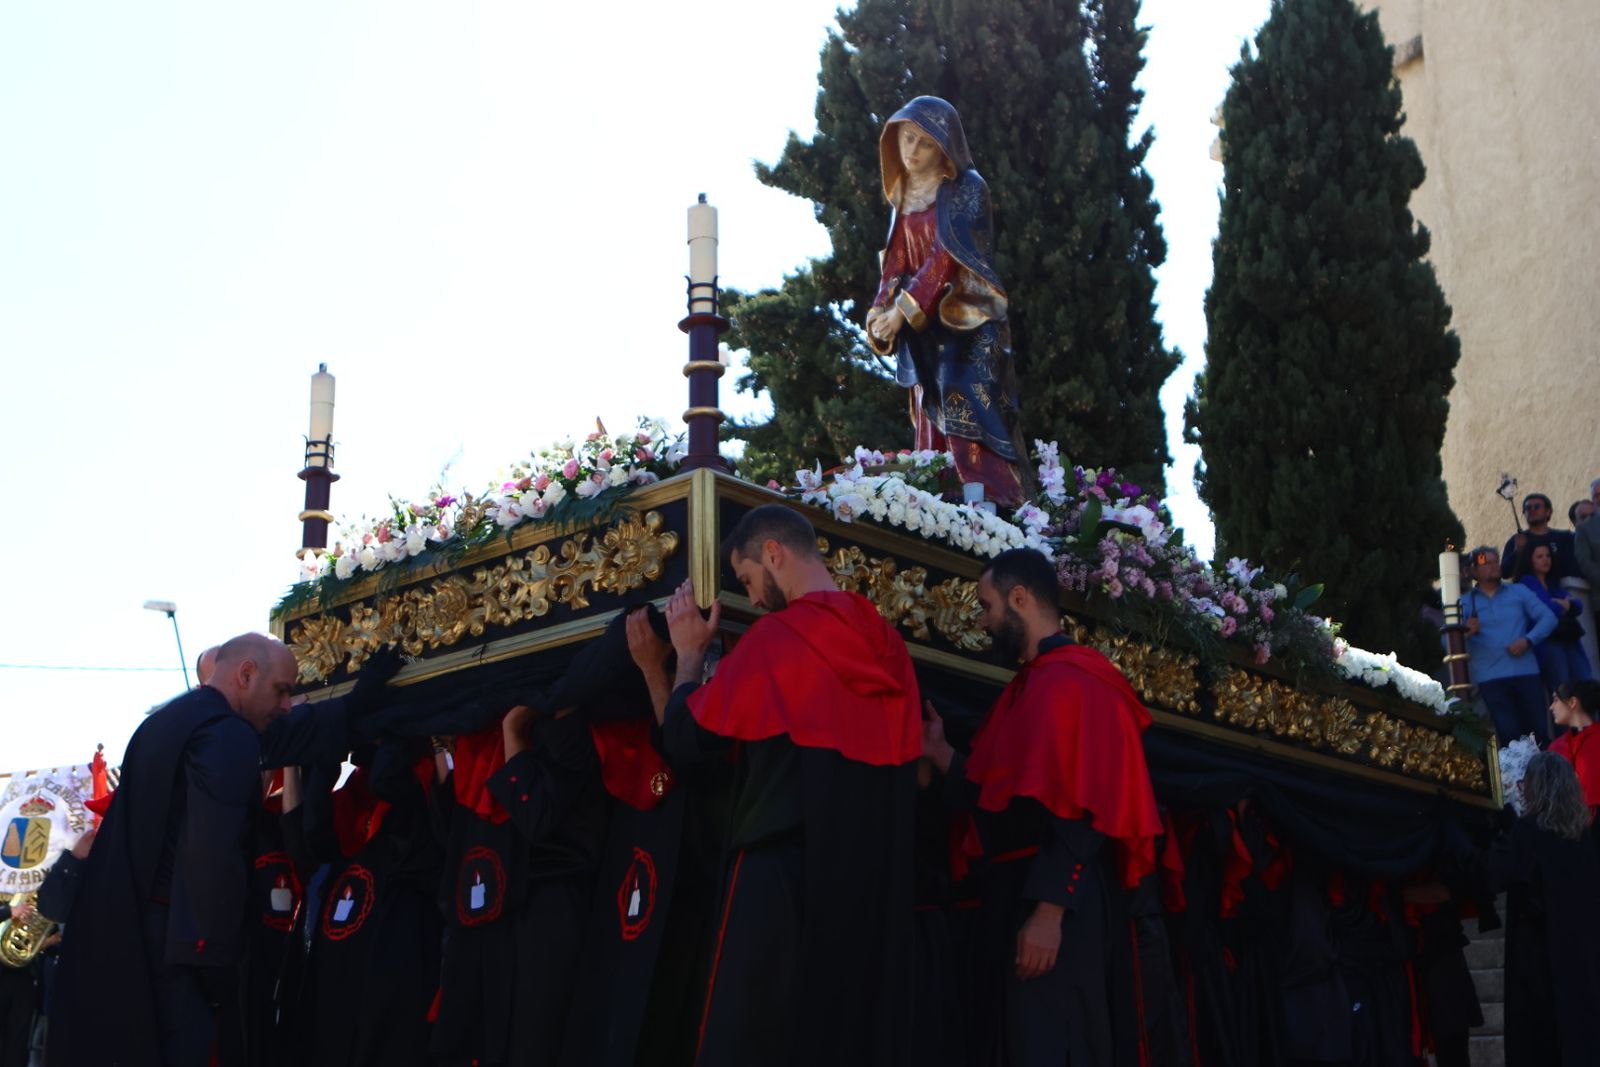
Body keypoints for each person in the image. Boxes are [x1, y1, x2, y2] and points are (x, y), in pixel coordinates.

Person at [47, 633, 396, 1067]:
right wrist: (215, 970)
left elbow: (278, 736)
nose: (287, 704)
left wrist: (354, 703)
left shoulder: (172, 722)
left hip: (131, 939)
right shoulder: (222, 735)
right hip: (180, 954)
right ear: (246, 674)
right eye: (281, 690)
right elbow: (213, 856)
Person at [656, 503, 921, 1066]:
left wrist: (686, 658)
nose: (751, 598)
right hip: (870, 886)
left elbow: (686, 741)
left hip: (778, 884)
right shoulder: (891, 648)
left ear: (773, 553)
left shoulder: (778, 639)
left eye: (749, 579)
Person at [922, 547, 1163, 1066]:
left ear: (1019, 598)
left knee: (1054, 1041)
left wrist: (1051, 910)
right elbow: (1000, 795)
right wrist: (941, 753)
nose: (984, 622)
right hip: (1014, 898)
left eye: (987, 607)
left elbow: (1089, 807)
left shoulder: (1080, 681)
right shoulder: (1027, 688)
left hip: (1056, 906)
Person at [864, 95, 1026, 507]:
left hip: (967, 317)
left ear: (944, 147)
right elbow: (896, 260)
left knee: (961, 394)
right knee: (927, 401)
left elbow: (946, 258)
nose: (912, 151)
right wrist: (880, 311)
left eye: (924, 143)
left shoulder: (967, 189)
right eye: (906, 139)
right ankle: (936, 499)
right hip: (922, 327)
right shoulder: (903, 197)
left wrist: (902, 312)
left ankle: (991, 501)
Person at [1485, 753, 1600, 1067]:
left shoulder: (1528, 833)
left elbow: (1492, 874)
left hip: (1538, 968)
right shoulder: (1584, 838)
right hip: (1582, 967)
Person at [1461, 547, 1558, 745]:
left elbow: (1548, 617)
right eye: (1486, 563)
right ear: (1473, 571)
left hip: (1526, 672)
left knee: (1538, 733)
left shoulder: (1519, 591)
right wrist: (1465, 633)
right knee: (1509, 736)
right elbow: (1446, 643)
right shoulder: (1462, 603)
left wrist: (1529, 640)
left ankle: (1545, 775)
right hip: (1491, 678)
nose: (1493, 566)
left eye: (1495, 561)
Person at [1512, 542, 1593, 691]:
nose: (1546, 560)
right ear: (1530, 559)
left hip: (1569, 638)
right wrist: (1564, 604)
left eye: (1548, 556)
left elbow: (1578, 605)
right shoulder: (1528, 583)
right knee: (1562, 686)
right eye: (1540, 556)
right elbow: (1546, 609)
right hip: (1549, 641)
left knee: (1586, 683)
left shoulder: (1553, 584)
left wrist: (1566, 604)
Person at [1501, 492, 1579, 581]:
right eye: (1528, 508)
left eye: (1537, 507)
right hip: (1528, 592)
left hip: (1560, 591)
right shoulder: (1516, 540)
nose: (1532, 510)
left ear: (1548, 512)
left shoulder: (1565, 537)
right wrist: (1517, 552)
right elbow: (1504, 573)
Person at [1549, 679, 1600, 810]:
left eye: (1555, 700)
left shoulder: (1595, 742)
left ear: (1572, 702)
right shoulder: (1557, 746)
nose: (1551, 707)